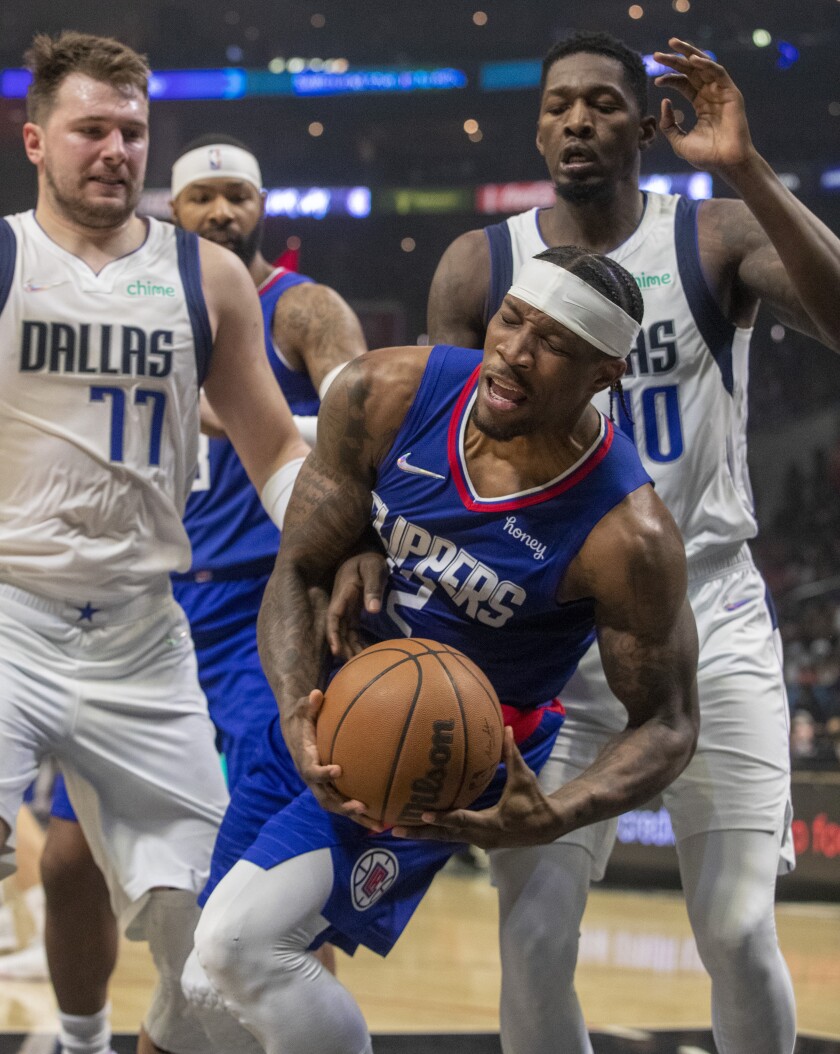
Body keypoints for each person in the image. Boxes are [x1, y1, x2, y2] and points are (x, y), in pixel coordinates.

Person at [425, 32, 840, 1054]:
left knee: (738, 930)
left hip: (709, 613)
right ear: (538, 123)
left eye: (605, 103)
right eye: (561, 102)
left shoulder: (711, 238)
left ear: (648, 124)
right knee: (530, 938)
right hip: (554, 633)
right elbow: (433, 460)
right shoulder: (481, 263)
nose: (579, 119)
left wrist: (744, 164)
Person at [185, 244, 700, 1054]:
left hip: (439, 746)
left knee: (236, 948)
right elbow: (299, 567)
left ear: (603, 376)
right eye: (512, 320)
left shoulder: (626, 533)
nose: (515, 353)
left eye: (553, 344)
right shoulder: (385, 392)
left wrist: (559, 814)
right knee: (201, 981)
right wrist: (293, 711)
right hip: (327, 701)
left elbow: (668, 723)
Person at [0, 30, 310, 1054]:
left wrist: (347, 548)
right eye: (91, 128)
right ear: (36, 138)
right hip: (10, 620)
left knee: (209, 940)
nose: (115, 150)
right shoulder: (6, 255)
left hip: (143, 636)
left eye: (131, 131)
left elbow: (273, 454)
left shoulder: (205, 276)